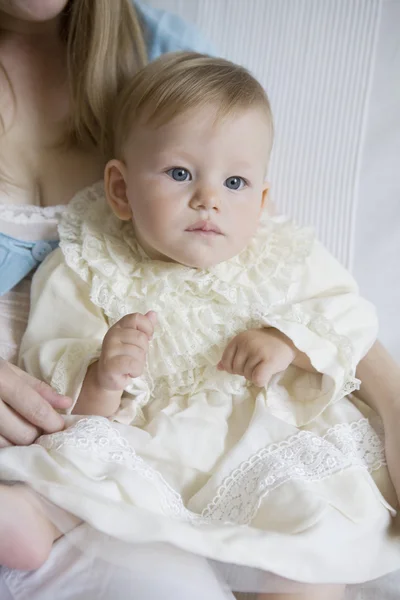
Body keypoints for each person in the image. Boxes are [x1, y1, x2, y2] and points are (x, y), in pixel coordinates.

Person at [1, 52, 399, 600]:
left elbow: (348, 314)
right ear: (120, 189)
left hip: (265, 440)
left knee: (308, 539)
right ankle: (33, 517)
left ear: (261, 202)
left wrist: (288, 342)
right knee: (84, 466)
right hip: (149, 438)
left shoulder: (282, 254)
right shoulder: (86, 261)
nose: (208, 198)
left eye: (235, 182)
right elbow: (48, 358)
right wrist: (101, 373)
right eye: (180, 173)